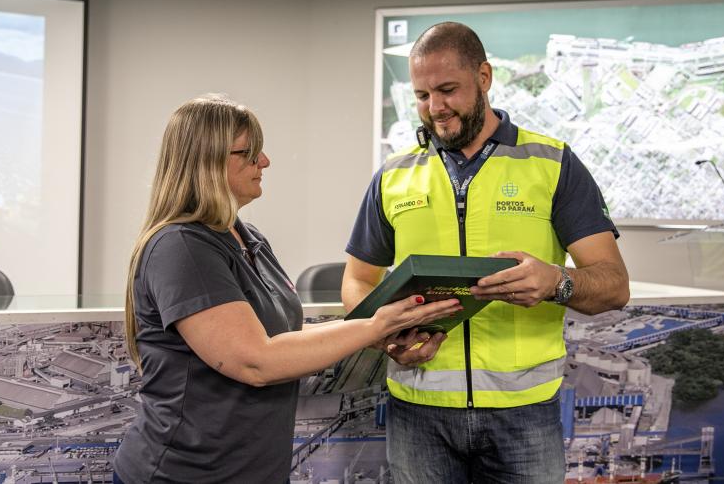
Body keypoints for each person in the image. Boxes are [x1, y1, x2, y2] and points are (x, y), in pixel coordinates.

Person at [112, 95, 462, 484]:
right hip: (184, 474)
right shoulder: (181, 247)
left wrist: (375, 333)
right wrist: (373, 326)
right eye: (250, 153)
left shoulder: (247, 238)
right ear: (206, 160)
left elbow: (284, 337)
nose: (264, 162)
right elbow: (255, 361)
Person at [342, 22, 630, 483]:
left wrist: (557, 281)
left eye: (448, 89)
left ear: (484, 77)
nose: (435, 108)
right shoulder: (393, 176)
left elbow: (614, 285)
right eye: (421, 96)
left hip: (524, 414)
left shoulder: (554, 164)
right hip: (418, 411)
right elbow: (358, 279)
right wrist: (382, 336)